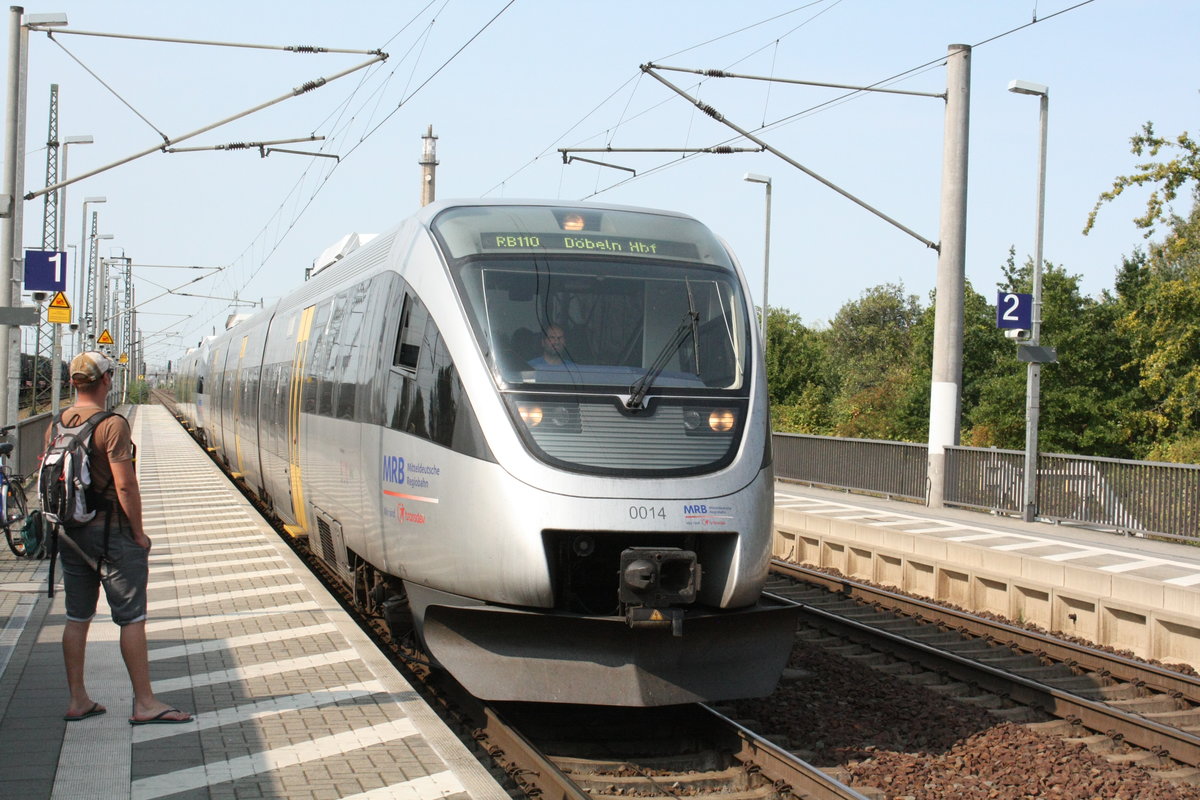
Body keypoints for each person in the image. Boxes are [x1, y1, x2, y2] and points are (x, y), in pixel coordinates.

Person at [55, 351, 193, 725]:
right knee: (132, 619)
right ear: (106, 381)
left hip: (71, 534)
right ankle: (145, 703)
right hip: (111, 532)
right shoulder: (112, 425)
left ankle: (78, 699)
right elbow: (125, 485)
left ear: (73, 383)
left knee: (76, 617)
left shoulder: (61, 421)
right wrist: (138, 533)